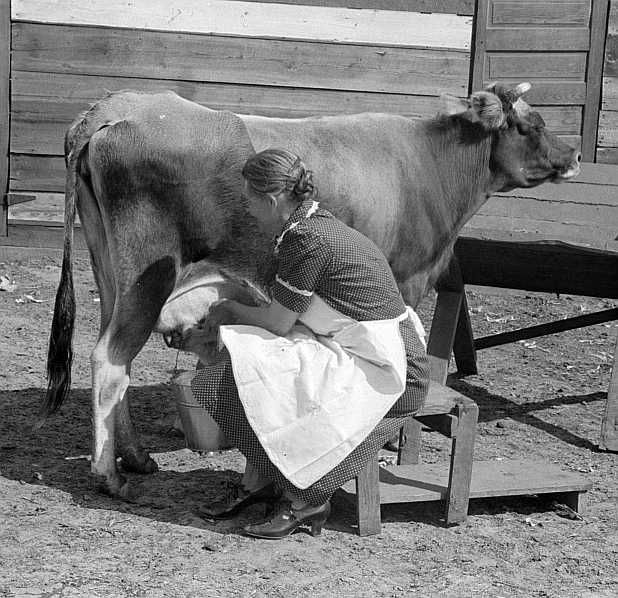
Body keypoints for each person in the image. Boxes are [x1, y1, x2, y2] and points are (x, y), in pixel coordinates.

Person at [188, 149, 430, 539]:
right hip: (354, 344)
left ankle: (307, 501)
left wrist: (226, 308)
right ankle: (261, 482)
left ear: (270, 199)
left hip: (394, 369)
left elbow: (279, 322)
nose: (248, 209)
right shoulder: (307, 226)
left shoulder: (308, 239)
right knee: (241, 363)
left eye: (249, 199)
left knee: (228, 375)